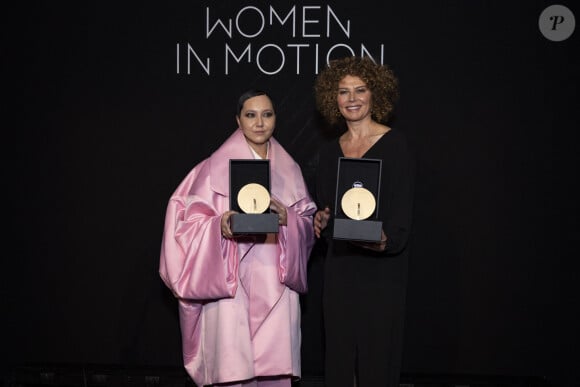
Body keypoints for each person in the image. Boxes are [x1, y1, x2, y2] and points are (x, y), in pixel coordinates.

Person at [159, 89, 317, 386]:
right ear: (238, 120)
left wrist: (289, 220)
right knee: (234, 370)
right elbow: (183, 224)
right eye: (251, 115)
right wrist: (219, 225)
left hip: (276, 282)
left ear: (275, 119)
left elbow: (307, 226)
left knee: (275, 371)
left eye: (267, 114)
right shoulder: (211, 169)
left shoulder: (291, 171)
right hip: (231, 284)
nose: (259, 123)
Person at [313, 56, 415, 386]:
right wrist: (322, 219)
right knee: (340, 362)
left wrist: (382, 239)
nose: (352, 98)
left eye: (361, 90)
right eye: (344, 92)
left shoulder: (396, 145)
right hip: (340, 271)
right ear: (334, 98)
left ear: (376, 94)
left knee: (376, 364)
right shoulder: (330, 152)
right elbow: (329, 210)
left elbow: (401, 224)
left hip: (381, 274)